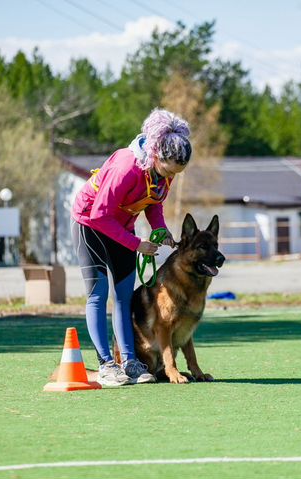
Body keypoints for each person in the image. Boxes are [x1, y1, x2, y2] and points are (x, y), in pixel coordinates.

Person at [71, 108, 192, 386]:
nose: (171, 177)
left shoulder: (164, 172)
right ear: (156, 155)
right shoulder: (126, 168)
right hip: (90, 224)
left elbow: (154, 201)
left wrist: (159, 228)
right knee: (99, 295)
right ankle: (106, 365)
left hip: (122, 227)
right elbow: (100, 215)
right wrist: (137, 244)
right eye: (169, 170)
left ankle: (130, 363)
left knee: (125, 296)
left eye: (177, 173)